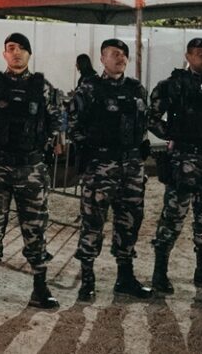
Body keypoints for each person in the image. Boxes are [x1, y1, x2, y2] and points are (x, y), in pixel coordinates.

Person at [0, 32, 60, 309]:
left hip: (31, 169)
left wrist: (39, 146)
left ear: (29, 54)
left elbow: (55, 122)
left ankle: (40, 288)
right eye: (11, 48)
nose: (16, 52)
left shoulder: (43, 88)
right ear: (4, 54)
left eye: (22, 48)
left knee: (35, 229)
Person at [68, 38, 153, 301]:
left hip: (131, 167)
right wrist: (92, 151)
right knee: (93, 223)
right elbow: (72, 125)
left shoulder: (137, 89)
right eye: (114, 54)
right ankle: (87, 280)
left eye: (124, 54)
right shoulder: (89, 89)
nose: (120, 58)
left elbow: (144, 123)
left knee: (130, 222)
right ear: (102, 59)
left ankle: (125, 278)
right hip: (100, 168)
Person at [149, 37, 202, 294]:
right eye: (198, 52)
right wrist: (173, 134)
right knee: (173, 215)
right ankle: (160, 272)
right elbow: (151, 117)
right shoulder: (171, 85)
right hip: (183, 159)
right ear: (187, 56)